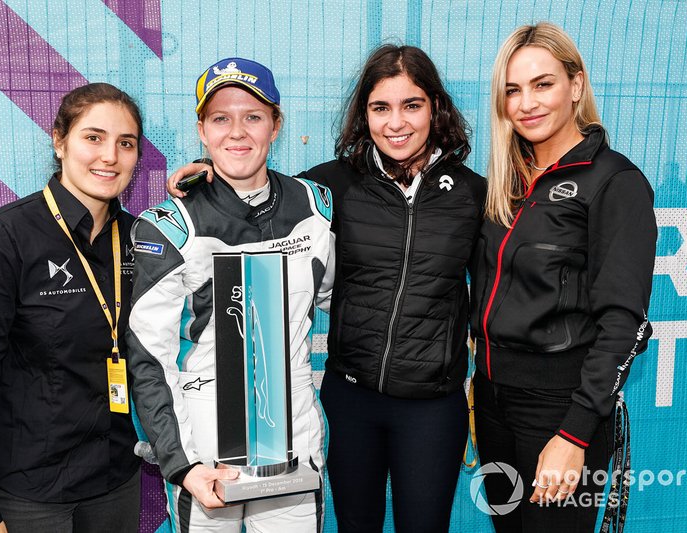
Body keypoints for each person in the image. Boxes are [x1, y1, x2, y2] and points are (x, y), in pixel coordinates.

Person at [168, 45, 486, 532]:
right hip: (352, 399)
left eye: (412, 105)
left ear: (435, 109)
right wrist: (205, 171)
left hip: (432, 406)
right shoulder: (330, 187)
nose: (395, 123)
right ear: (364, 115)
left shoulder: (472, 192)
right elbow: (257, 193)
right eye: (380, 108)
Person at [126, 57, 334, 532]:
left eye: (253, 117)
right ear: (201, 129)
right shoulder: (168, 226)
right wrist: (182, 464)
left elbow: (333, 297)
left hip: (292, 448)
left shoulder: (316, 209)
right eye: (221, 118)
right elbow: (148, 359)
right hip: (205, 456)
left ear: (276, 125)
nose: (237, 132)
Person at [469, 22, 657, 532]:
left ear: (576, 86)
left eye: (542, 83)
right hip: (490, 402)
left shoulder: (615, 181)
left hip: (560, 410)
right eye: (513, 90)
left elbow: (625, 323)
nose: (526, 102)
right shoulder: (505, 183)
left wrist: (575, 434)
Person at [0, 83, 144, 533]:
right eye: (93, 137)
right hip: (32, 492)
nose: (109, 155)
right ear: (59, 140)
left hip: (116, 479)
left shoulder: (139, 239)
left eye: (125, 143)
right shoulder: (3, 238)